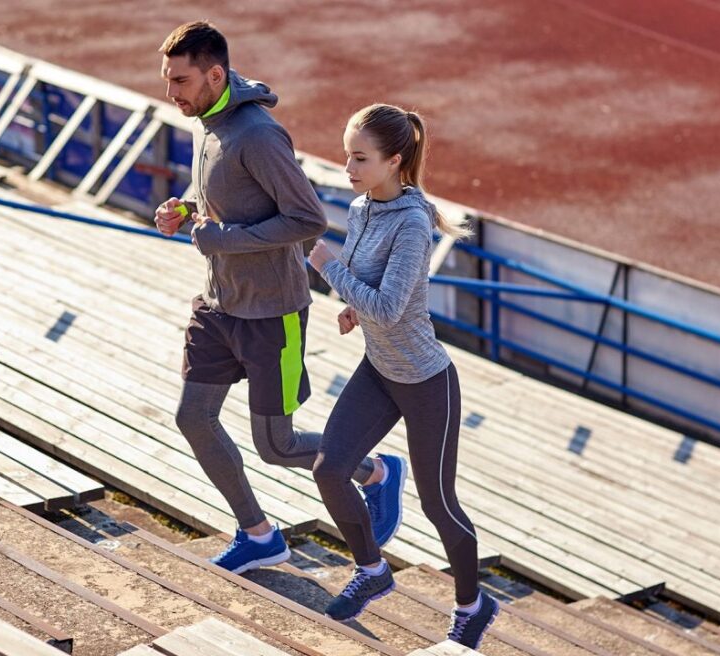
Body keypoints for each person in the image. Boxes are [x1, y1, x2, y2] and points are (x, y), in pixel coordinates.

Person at [152, 21, 408, 575]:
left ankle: (377, 472)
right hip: (218, 304)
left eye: (180, 80)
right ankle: (259, 534)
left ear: (215, 75)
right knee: (194, 418)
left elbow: (306, 218)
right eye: (168, 79)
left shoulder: (258, 135)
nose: (171, 92)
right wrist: (189, 211)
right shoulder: (209, 120)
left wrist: (223, 238)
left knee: (277, 444)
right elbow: (230, 198)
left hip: (273, 313)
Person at [307, 104, 498, 649]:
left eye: (360, 158)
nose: (348, 167)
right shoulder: (365, 206)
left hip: (423, 381)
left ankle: (472, 604)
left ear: (394, 161)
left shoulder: (413, 223)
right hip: (379, 369)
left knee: (439, 505)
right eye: (347, 154)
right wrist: (352, 305)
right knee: (330, 468)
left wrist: (323, 264)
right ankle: (372, 571)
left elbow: (390, 308)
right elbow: (370, 285)